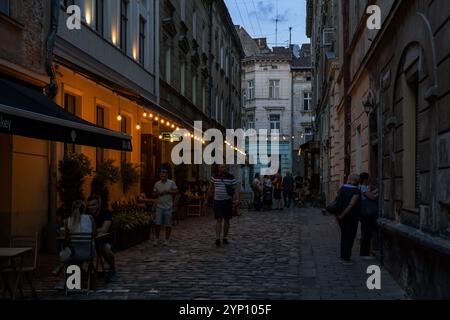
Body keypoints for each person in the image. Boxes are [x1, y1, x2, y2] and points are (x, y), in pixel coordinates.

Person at [52, 200, 96, 276]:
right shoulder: (90, 218)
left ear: (72, 209)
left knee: (68, 248)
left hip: (73, 254)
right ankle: (83, 271)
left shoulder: (68, 220)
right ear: (84, 209)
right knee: (79, 247)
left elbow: (66, 237)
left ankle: (61, 265)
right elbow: (95, 233)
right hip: (89, 252)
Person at [86, 195, 116, 281]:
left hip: (106, 239)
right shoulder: (86, 214)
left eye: (93, 205)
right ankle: (80, 273)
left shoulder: (106, 213)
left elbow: (104, 229)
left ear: (99, 204)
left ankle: (112, 267)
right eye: (89, 205)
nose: (91, 207)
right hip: (91, 240)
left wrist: (92, 231)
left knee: (106, 249)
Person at [208, 164, 239, 247]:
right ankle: (217, 238)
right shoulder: (215, 177)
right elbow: (211, 187)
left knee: (227, 220)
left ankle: (224, 237)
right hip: (217, 201)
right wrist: (208, 198)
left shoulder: (231, 177)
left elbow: (235, 188)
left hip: (227, 201)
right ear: (218, 168)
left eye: (225, 167)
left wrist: (236, 199)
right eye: (222, 167)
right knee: (219, 219)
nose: (223, 168)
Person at [335, 174, 361, 265]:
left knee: (344, 236)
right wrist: (342, 215)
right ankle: (346, 258)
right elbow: (351, 205)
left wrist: (338, 216)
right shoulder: (356, 190)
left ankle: (343, 256)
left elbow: (337, 202)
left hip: (341, 217)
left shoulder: (342, 188)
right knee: (350, 238)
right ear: (357, 180)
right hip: (351, 217)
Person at [153, 167, 178, 246]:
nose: (162, 175)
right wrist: (158, 193)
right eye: (161, 173)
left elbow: (176, 191)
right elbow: (153, 193)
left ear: (167, 175)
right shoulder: (157, 184)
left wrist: (168, 191)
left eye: (164, 173)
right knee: (157, 223)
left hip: (168, 207)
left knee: (168, 224)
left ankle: (167, 239)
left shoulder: (171, 183)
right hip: (159, 207)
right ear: (160, 175)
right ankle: (156, 239)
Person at [359, 172, 379, 260]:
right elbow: (372, 197)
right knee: (366, 233)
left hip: (364, 213)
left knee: (366, 232)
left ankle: (364, 253)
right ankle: (364, 254)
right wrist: (380, 192)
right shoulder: (363, 187)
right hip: (365, 214)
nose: (369, 180)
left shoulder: (362, 187)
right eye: (368, 179)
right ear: (365, 179)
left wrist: (376, 191)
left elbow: (370, 194)